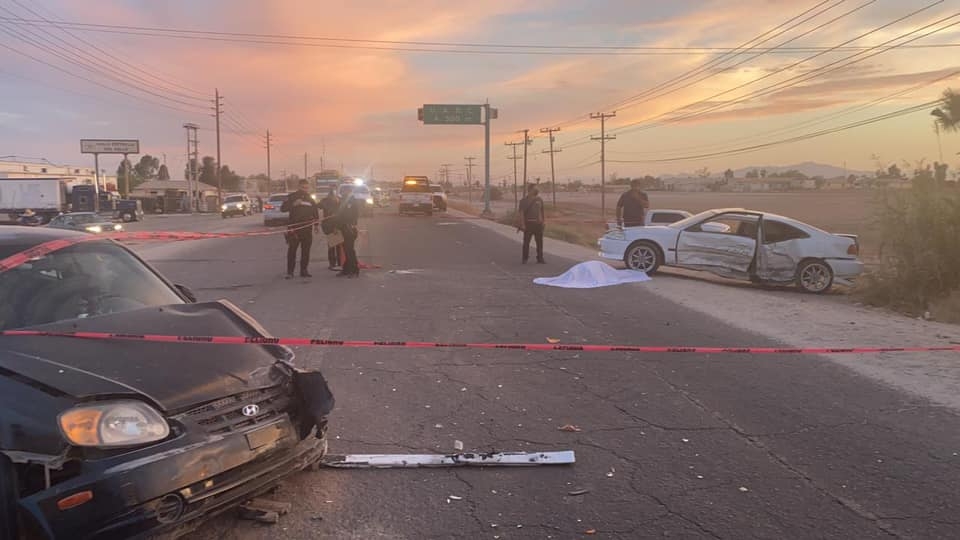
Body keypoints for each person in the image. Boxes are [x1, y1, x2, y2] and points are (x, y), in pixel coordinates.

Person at [281, 179, 319, 278]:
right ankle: (290, 272)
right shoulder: (292, 197)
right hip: (294, 228)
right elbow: (283, 209)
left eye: (306, 188)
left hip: (307, 229)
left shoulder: (310, 199)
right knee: (292, 251)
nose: (305, 190)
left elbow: (315, 212)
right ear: (299, 187)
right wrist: (293, 204)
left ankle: (304, 270)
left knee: (306, 251)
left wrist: (316, 225)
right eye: (303, 187)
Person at [334, 189, 361, 278]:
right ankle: (346, 269)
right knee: (346, 250)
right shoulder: (342, 202)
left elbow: (353, 215)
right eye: (343, 193)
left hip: (349, 229)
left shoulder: (352, 202)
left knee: (350, 251)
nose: (344, 194)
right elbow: (338, 216)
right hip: (343, 229)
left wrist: (352, 224)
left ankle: (354, 270)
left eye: (346, 192)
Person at [517, 184, 546, 264]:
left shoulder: (540, 200)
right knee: (526, 242)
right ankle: (525, 258)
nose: (537, 190)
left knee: (539, 242)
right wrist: (522, 224)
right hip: (528, 224)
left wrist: (543, 222)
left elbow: (542, 212)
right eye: (535, 188)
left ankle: (540, 258)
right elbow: (521, 213)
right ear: (530, 190)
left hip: (538, 224)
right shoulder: (523, 201)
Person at [319, 188, 342, 271]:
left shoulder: (338, 201)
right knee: (333, 245)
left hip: (336, 225)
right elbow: (319, 206)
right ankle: (333, 263)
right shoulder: (327, 201)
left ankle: (338, 263)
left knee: (337, 245)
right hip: (330, 226)